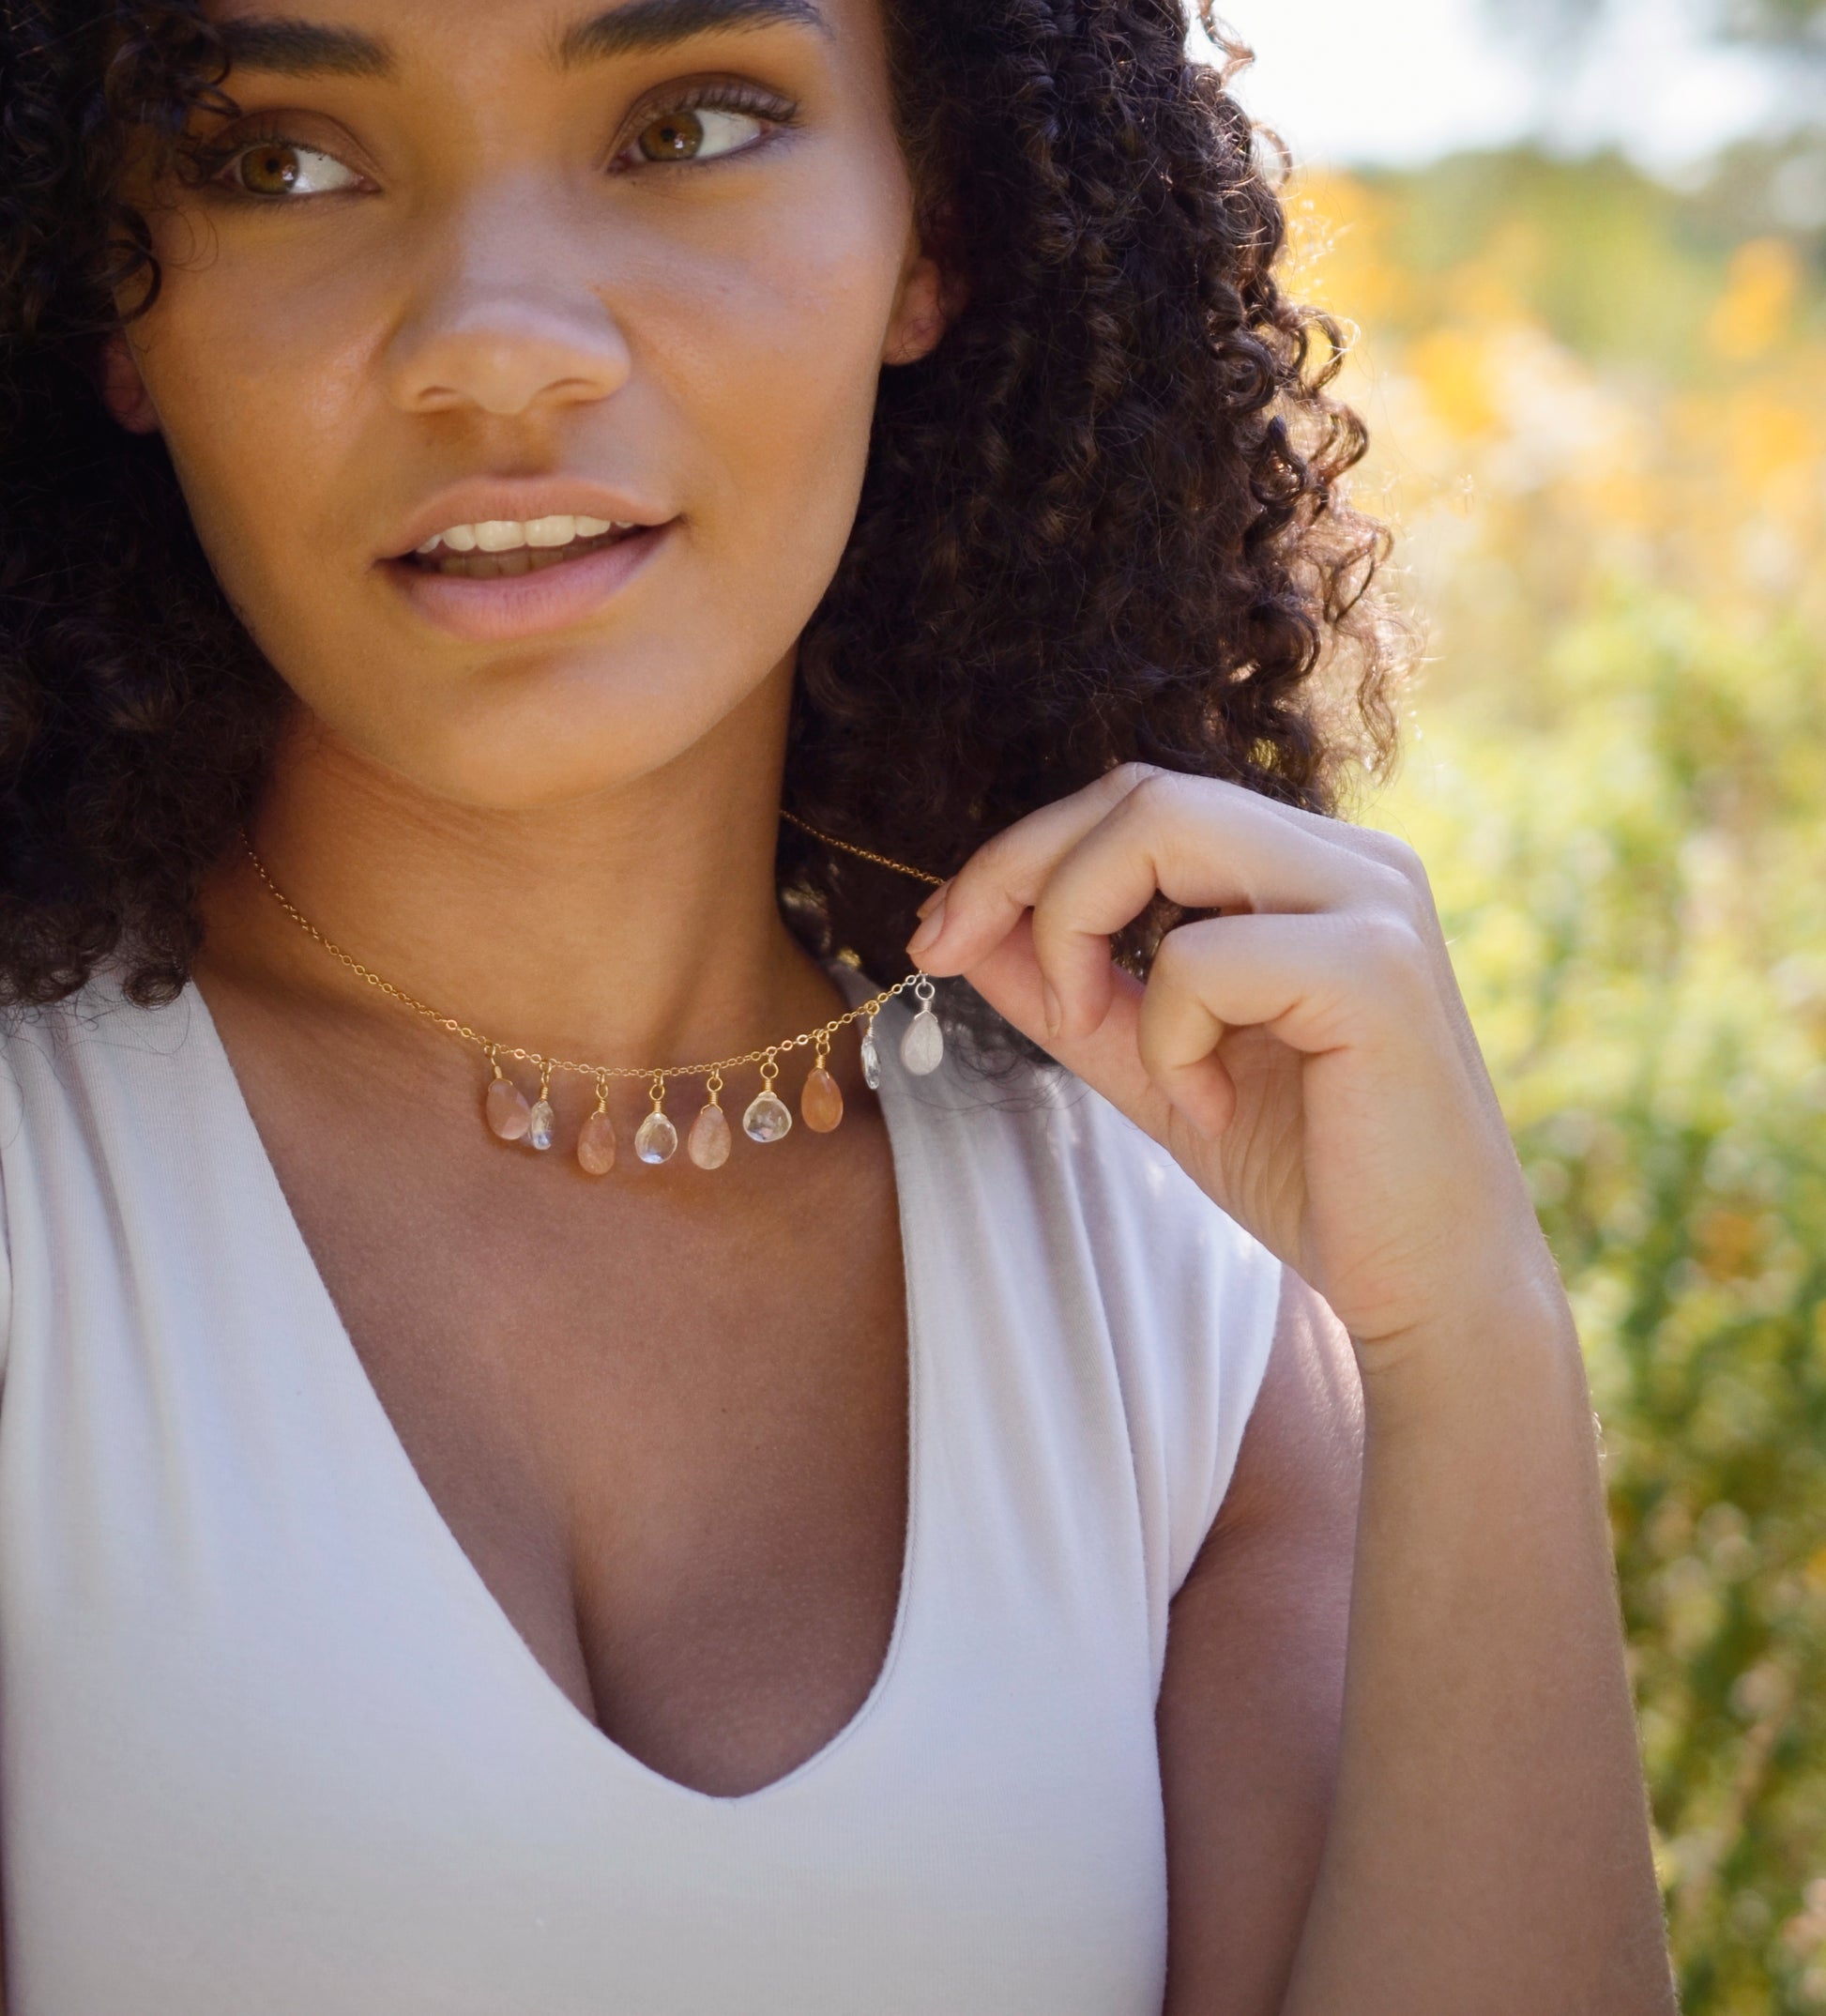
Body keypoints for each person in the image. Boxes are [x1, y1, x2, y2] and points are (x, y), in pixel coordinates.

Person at [0, 0, 1676, 2009]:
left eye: (689, 122)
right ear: (104, 294)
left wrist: (1468, 1343)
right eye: (278, 158)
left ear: (933, 228)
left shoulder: (1179, 1299)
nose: (498, 338)